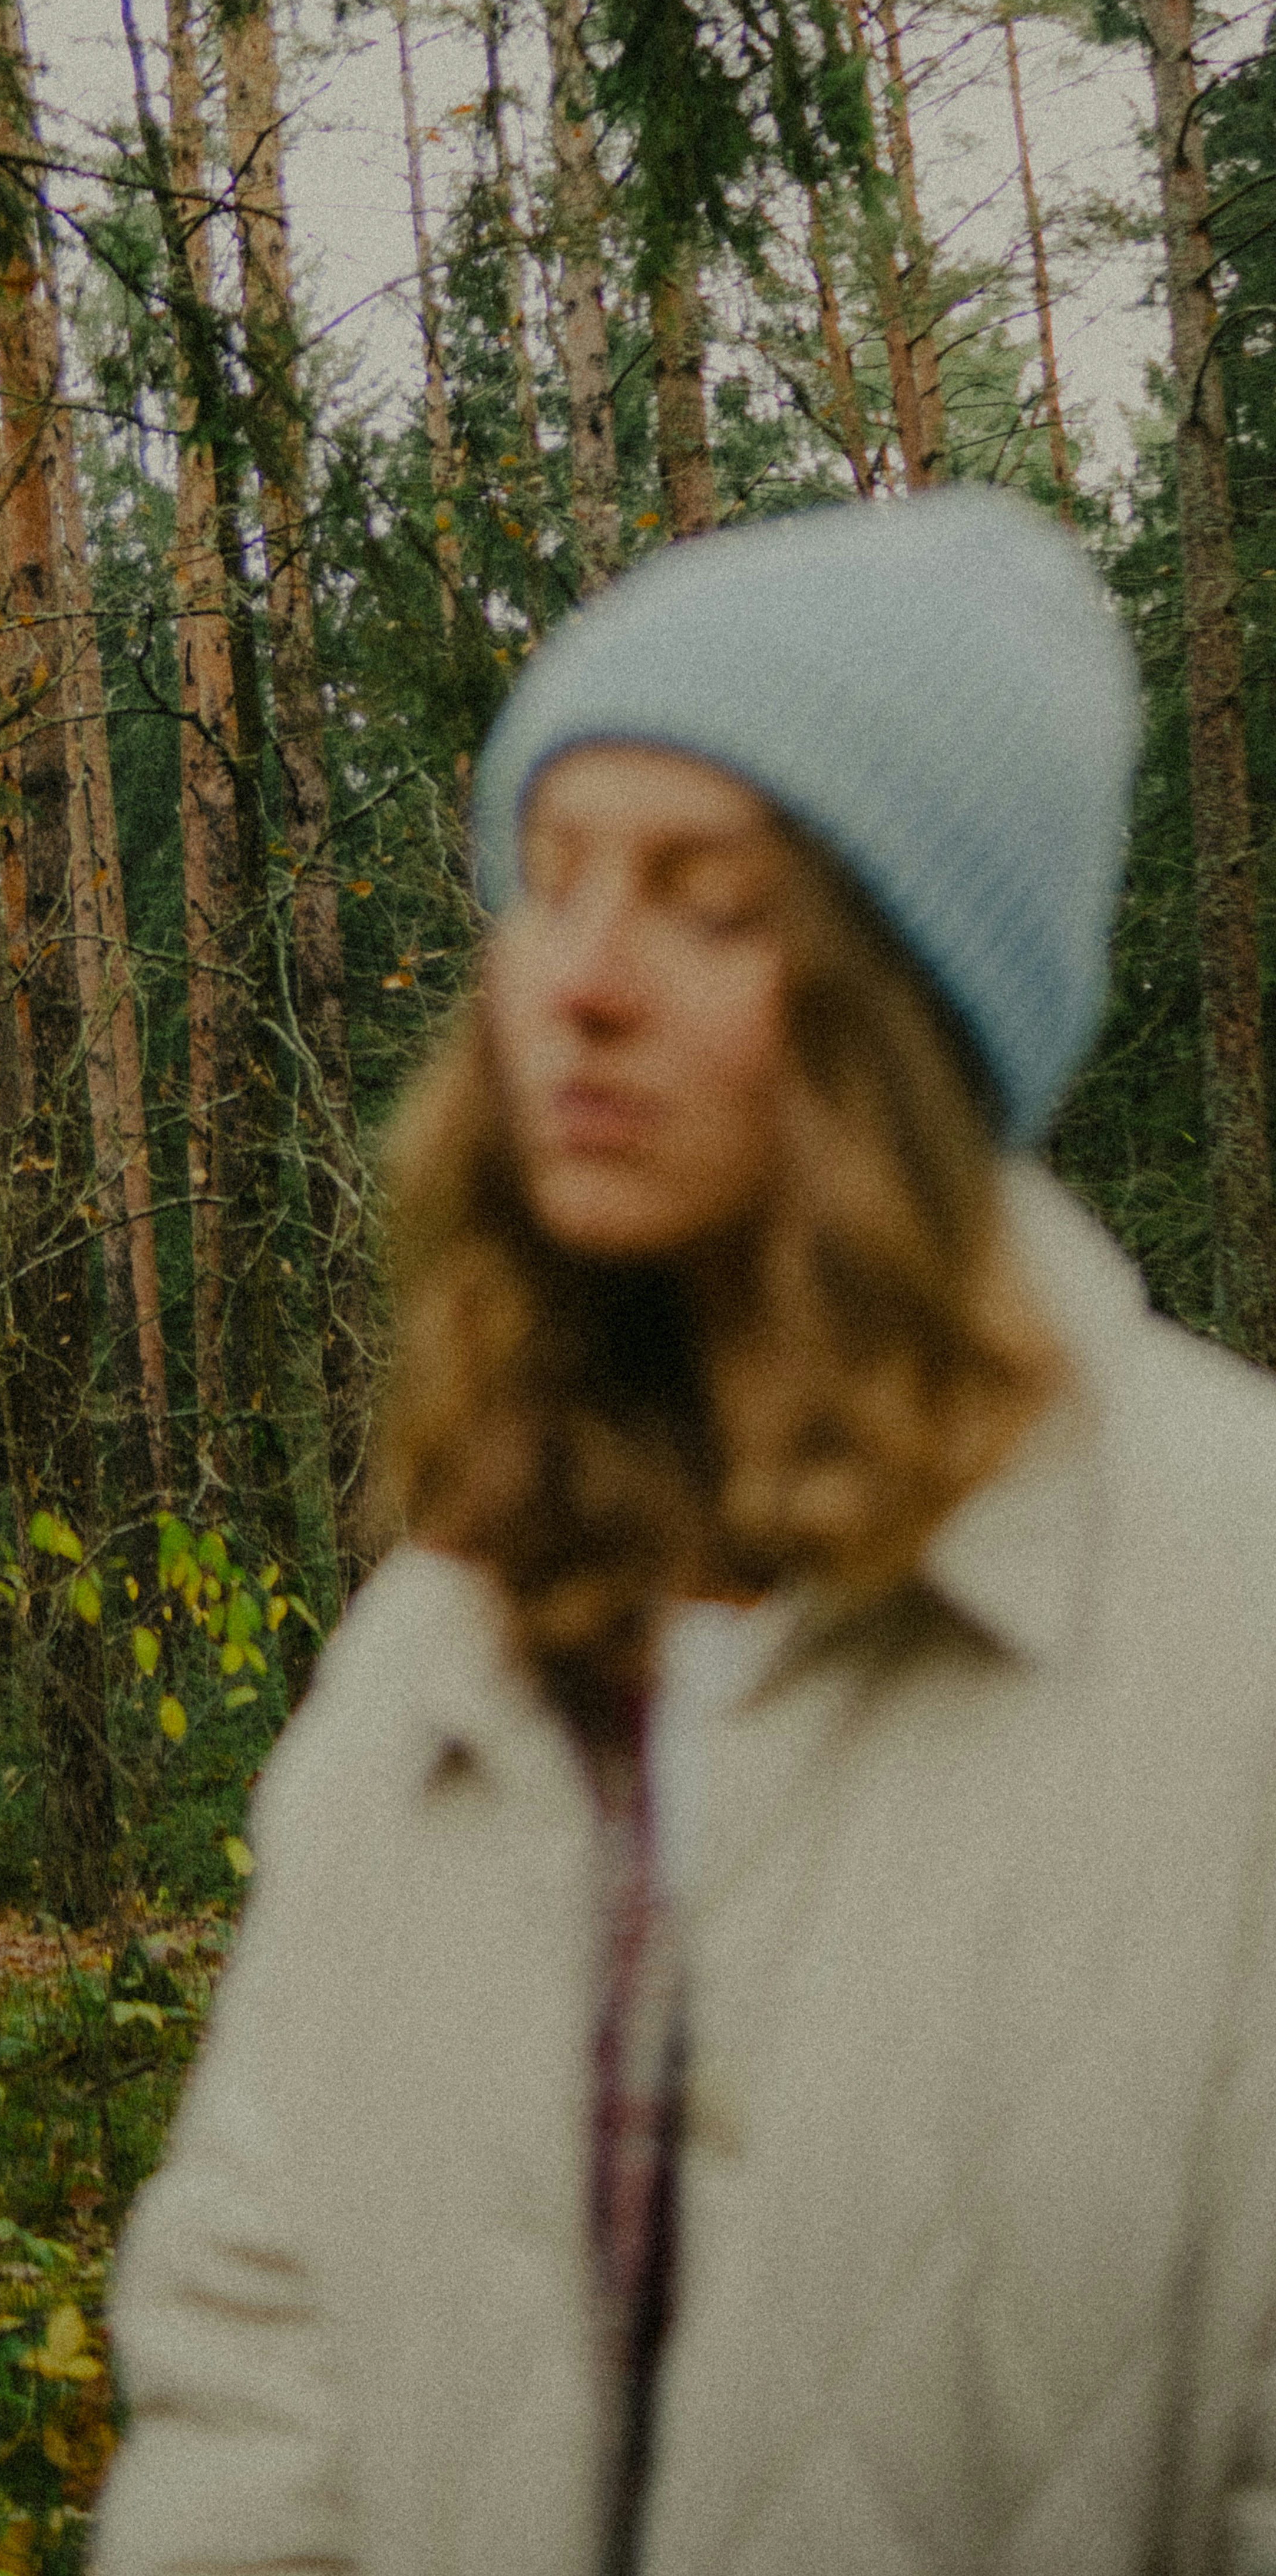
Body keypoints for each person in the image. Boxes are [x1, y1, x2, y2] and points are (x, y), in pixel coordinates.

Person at [94, 486, 1276, 2576]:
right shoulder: (451, 1632)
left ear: (908, 1010)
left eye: (709, 903)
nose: (584, 983)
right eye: (547, 885)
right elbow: (249, 2359)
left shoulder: (1230, 1606)